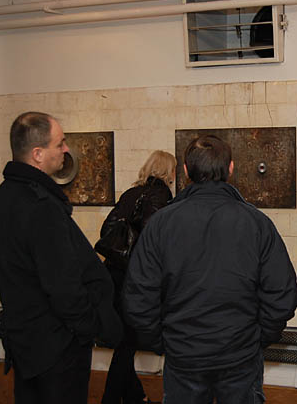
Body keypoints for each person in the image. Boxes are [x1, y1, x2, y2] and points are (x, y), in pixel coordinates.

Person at [123, 135, 297, 404]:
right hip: (234, 354)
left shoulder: (160, 224)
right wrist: (256, 339)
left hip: (192, 354)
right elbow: (283, 294)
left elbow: (138, 295)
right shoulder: (256, 223)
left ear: (185, 171)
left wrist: (163, 342)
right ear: (230, 168)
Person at [0, 111, 122, 404]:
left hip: (26, 343)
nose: (66, 149)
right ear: (37, 154)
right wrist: (88, 328)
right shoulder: (40, 207)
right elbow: (62, 285)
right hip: (56, 348)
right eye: (59, 144)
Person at [99, 150, 176, 404]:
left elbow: (106, 229)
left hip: (113, 273)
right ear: (168, 171)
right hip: (134, 279)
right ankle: (110, 399)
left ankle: (135, 396)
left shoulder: (131, 193)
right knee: (127, 343)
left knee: (125, 340)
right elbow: (154, 241)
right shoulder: (161, 195)